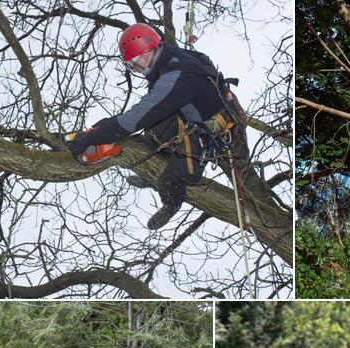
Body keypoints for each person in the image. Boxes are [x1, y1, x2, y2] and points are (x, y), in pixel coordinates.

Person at [67, 23, 245, 230]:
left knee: (175, 175)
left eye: (135, 64)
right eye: (131, 66)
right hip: (194, 111)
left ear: (147, 52)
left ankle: (171, 203)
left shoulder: (177, 76)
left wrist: (90, 139)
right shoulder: (169, 60)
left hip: (218, 126)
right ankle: (152, 173)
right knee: (153, 134)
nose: (136, 70)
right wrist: (105, 127)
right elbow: (150, 109)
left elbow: (135, 119)